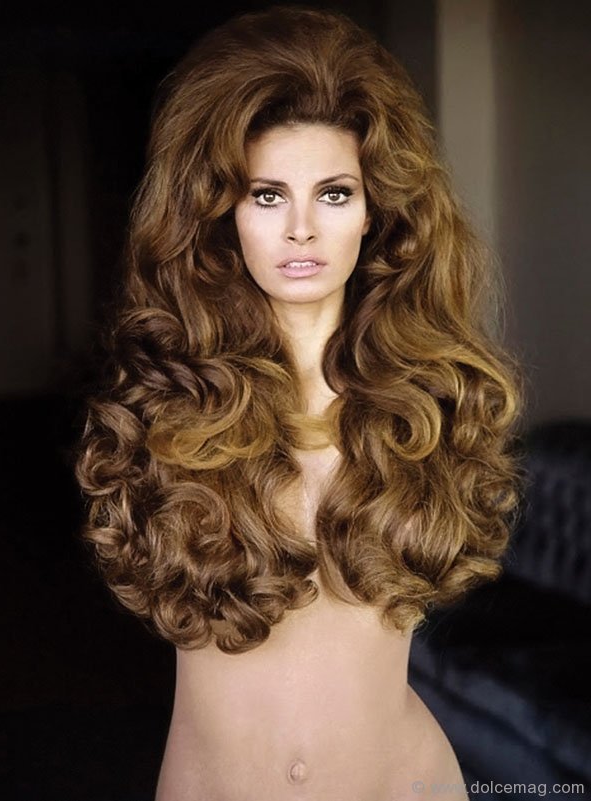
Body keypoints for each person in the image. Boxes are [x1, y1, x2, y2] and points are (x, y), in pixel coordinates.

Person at [76, 5, 522, 800]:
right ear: (222, 212)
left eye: (335, 193)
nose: (303, 229)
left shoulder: (425, 408)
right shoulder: (168, 408)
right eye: (268, 195)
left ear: (377, 211)